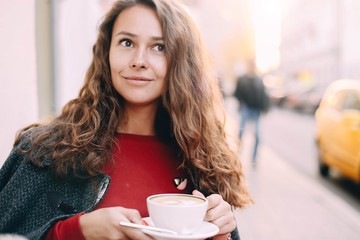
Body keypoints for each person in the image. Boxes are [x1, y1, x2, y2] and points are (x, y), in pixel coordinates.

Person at [0, 1, 252, 239]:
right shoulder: (44, 150)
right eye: (127, 42)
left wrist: (220, 233)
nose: (139, 61)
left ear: (180, 63)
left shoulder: (201, 158)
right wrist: (78, 230)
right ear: (106, 52)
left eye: (159, 47)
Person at [234, 60, 270, 165]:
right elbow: (237, 93)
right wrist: (241, 103)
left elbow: (263, 95)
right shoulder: (242, 79)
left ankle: (254, 159)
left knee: (258, 136)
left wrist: (265, 107)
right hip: (246, 108)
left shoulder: (259, 80)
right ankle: (237, 155)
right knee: (241, 132)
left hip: (256, 110)